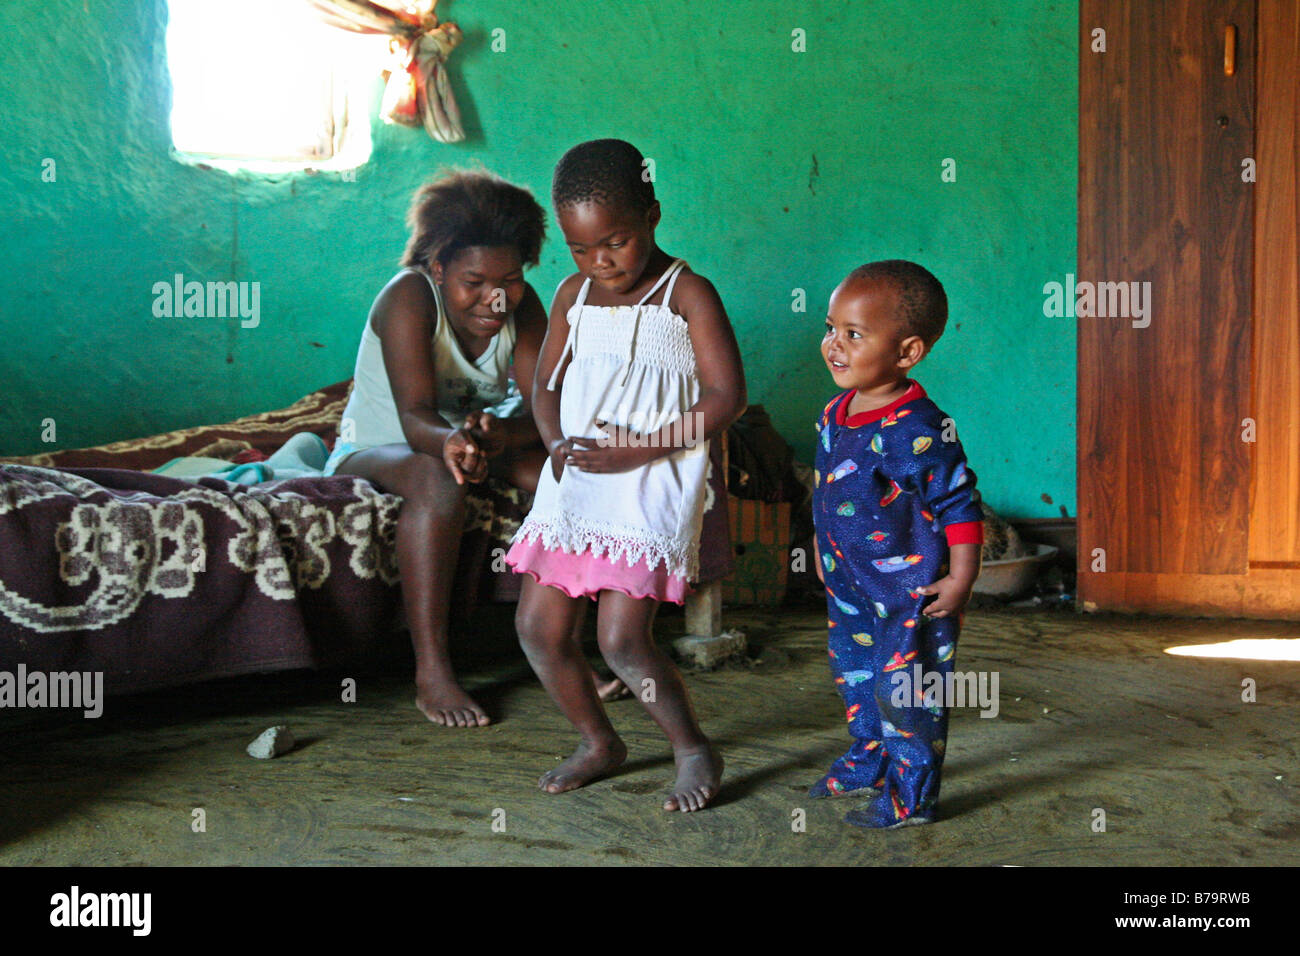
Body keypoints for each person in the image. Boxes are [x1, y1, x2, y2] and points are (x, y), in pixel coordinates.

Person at [506, 139, 747, 812]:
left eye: (614, 241)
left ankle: (693, 745)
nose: (599, 261)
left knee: (620, 639)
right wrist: (555, 444)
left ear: (653, 216)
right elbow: (546, 385)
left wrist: (638, 449)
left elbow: (727, 398)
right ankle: (598, 740)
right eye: (581, 248)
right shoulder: (571, 295)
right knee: (539, 629)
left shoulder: (687, 293)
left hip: (650, 479)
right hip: (578, 476)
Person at [325, 169, 553, 729]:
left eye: (511, 279)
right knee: (437, 481)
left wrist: (499, 434)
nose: (495, 298)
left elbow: (547, 412)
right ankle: (432, 669)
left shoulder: (522, 310)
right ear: (438, 266)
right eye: (474, 281)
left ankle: (556, 649)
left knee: (562, 475)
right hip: (383, 444)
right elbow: (413, 417)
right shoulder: (408, 297)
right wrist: (452, 442)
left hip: (469, 439)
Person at [811, 260, 983, 828]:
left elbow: (958, 502)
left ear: (907, 353)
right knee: (855, 676)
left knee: (905, 694)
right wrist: (822, 544)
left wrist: (960, 580)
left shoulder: (920, 428)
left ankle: (912, 796)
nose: (833, 345)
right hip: (850, 586)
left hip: (912, 596)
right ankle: (869, 760)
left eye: (853, 335)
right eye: (831, 327)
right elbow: (828, 490)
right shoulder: (834, 413)